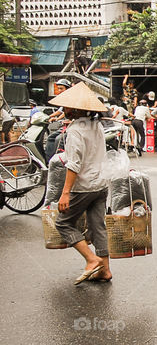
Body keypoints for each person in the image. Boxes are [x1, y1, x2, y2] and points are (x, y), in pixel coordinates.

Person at [48, 83, 112, 285]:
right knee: (97, 226)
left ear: (75, 110)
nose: (64, 111)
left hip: (84, 186)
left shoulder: (75, 130)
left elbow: (74, 164)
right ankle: (105, 271)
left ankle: (92, 260)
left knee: (63, 223)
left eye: (66, 107)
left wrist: (65, 193)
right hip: (101, 184)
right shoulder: (97, 125)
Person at [45, 78, 73, 161]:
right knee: (51, 137)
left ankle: (58, 160)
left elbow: (65, 112)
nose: (59, 90)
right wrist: (50, 117)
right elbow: (60, 111)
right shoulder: (64, 99)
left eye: (61, 88)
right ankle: (49, 161)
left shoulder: (72, 99)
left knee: (58, 139)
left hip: (73, 126)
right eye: (58, 88)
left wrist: (57, 118)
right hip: (67, 125)